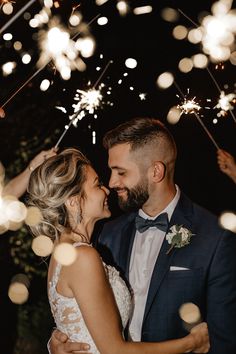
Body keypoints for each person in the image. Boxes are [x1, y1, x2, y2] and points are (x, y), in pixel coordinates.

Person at [50, 118, 236, 354]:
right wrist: (60, 340)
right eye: (110, 171)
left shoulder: (215, 239)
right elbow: (81, 303)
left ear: (156, 171)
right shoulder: (108, 233)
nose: (112, 182)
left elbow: (224, 341)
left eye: (121, 172)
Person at [27, 148, 209, 354]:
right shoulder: (82, 257)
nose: (106, 190)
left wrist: (54, 345)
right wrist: (192, 343)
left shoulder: (64, 252)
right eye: (97, 185)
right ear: (73, 201)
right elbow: (115, 351)